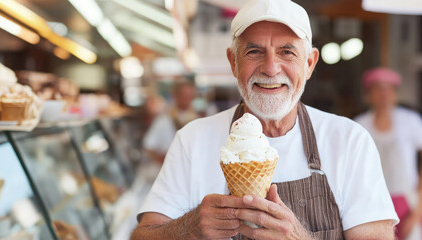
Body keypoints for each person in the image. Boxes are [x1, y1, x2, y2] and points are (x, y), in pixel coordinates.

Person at [132, 0, 398, 239]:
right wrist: (187, 227)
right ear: (233, 62)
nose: (271, 68)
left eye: (287, 52)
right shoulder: (192, 140)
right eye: (254, 52)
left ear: (309, 64)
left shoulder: (349, 140)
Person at [355, 67, 422, 240]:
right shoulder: (360, 125)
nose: (384, 94)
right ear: (368, 94)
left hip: (409, 201)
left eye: (389, 89)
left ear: (395, 93)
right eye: (377, 88)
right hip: (372, 203)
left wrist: (417, 211)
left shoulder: (410, 120)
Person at [142, 81, 199, 165]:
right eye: (185, 96)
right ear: (176, 96)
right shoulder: (163, 120)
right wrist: (165, 159)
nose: (188, 99)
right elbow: (148, 147)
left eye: (190, 96)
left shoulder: (198, 121)